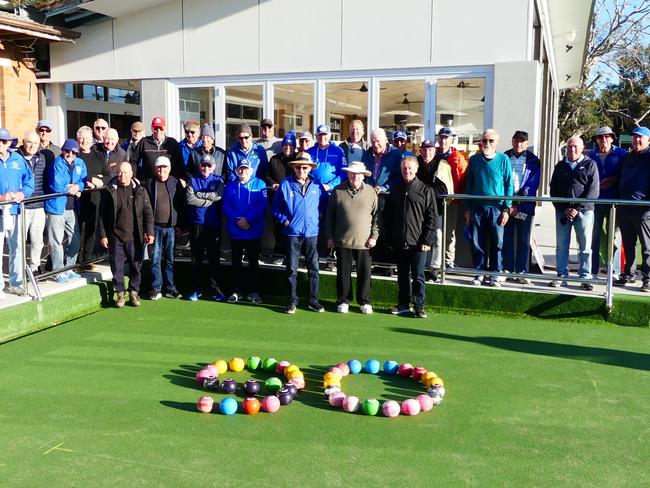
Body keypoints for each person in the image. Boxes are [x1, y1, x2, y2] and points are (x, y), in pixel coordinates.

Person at [272, 152, 326, 314]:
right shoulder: (285, 184)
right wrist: (285, 221)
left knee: (314, 268)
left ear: (310, 168)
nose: (301, 170)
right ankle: (291, 301)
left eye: (304, 167)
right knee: (291, 269)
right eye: (298, 167)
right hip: (292, 233)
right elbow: (275, 208)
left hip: (311, 233)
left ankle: (313, 301)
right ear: (293, 168)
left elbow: (324, 204)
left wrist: (318, 218)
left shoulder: (317, 185)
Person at [324, 161, 378, 314]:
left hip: (365, 242)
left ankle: (364, 301)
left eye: (358, 174)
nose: (355, 176)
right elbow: (330, 217)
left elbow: (376, 218)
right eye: (352, 173)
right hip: (342, 240)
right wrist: (329, 237)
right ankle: (343, 300)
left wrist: (374, 236)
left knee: (365, 273)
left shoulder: (370, 191)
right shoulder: (337, 190)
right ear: (348, 174)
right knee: (342, 273)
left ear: (363, 176)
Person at [386, 156, 437, 318]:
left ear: (415, 169)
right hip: (400, 241)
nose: (406, 171)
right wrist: (391, 239)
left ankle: (419, 306)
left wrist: (426, 240)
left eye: (409, 168)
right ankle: (403, 304)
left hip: (419, 243)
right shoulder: (395, 189)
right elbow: (389, 216)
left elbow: (432, 218)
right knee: (401, 276)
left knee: (418, 276)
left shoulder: (425, 190)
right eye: (404, 169)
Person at [98, 162, 154, 308]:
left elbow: (148, 213)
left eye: (125, 172)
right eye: (120, 172)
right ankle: (120, 293)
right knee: (117, 267)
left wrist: (150, 232)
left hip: (135, 236)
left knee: (136, 266)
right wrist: (103, 235)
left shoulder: (140, 190)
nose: (122, 175)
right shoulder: (109, 190)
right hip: (115, 235)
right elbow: (102, 215)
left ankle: (134, 292)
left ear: (131, 174)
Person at [549, 136, 599, 289]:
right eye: (570, 146)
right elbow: (553, 190)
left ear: (582, 147)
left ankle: (585, 276)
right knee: (561, 246)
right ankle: (561, 275)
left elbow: (593, 191)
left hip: (584, 212)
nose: (572, 149)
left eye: (575, 146)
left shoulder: (590, 164)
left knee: (584, 246)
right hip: (562, 212)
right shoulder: (560, 166)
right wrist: (565, 209)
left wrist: (576, 208)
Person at [464, 129, 513, 287]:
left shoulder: (504, 159)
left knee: (497, 242)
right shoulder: (474, 160)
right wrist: (468, 208)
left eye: (491, 141)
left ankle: (495, 274)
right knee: (477, 242)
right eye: (484, 140)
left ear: (496, 143)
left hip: (497, 209)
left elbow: (509, 185)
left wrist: (506, 209)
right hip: (477, 207)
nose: (487, 144)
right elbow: (469, 184)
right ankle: (479, 273)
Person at [223, 159, 268, 303]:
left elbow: (262, 205)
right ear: (237, 170)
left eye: (246, 169)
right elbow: (226, 206)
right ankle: (236, 291)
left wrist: (248, 220)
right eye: (240, 169)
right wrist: (238, 220)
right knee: (236, 262)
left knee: (254, 263)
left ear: (251, 170)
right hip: (236, 231)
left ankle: (253, 292)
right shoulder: (230, 186)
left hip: (253, 230)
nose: (243, 171)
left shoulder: (260, 184)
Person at [44, 139, 87, 283]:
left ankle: (69, 268)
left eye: (74, 152)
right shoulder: (57, 163)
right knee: (56, 241)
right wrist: (74, 189)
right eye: (67, 151)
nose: (70, 154)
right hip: (56, 207)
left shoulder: (80, 163)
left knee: (75, 239)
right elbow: (57, 185)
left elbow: (83, 180)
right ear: (63, 150)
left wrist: (78, 187)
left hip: (73, 207)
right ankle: (58, 271)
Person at [587, 126, 626, 279]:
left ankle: (614, 271)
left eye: (607, 137)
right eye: (600, 137)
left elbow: (626, 174)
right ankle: (593, 270)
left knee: (614, 237)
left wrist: (614, 180)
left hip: (614, 202)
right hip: (595, 202)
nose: (603, 140)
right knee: (593, 237)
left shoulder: (621, 154)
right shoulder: (591, 156)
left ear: (612, 138)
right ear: (596, 140)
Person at [185, 154, 225, 301]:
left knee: (214, 259)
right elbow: (189, 199)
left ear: (214, 167)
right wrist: (208, 200)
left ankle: (216, 290)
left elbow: (218, 196)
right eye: (203, 165)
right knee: (196, 259)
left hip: (213, 224)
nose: (206, 168)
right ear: (199, 166)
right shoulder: (193, 179)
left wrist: (200, 195)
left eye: (209, 165)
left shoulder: (218, 180)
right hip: (196, 224)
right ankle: (195, 289)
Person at [615, 126, 650, 292]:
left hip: (644, 210)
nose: (636, 140)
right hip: (625, 208)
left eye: (640, 138)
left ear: (648, 140)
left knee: (647, 246)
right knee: (628, 244)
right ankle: (629, 274)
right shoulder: (628, 157)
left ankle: (648, 279)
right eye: (635, 137)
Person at [502, 130, 541, 284]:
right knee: (507, 238)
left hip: (524, 206)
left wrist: (520, 202)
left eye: (522, 141)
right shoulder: (504, 156)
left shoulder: (533, 160)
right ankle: (507, 269)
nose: (518, 144)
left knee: (524, 240)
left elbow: (533, 182)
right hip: (507, 205)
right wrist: (508, 203)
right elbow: (502, 179)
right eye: (516, 140)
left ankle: (521, 271)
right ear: (512, 141)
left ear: (526, 143)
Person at [361, 128, 402, 269]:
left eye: (378, 141)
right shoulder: (366, 154)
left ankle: (388, 265)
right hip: (370, 198)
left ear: (385, 140)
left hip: (387, 198)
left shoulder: (395, 154)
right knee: (371, 228)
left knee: (386, 230)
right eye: (373, 141)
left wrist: (384, 187)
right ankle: (375, 261)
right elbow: (363, 174)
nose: (375, 144)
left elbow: (399, 176)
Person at [0, 128, 34, 297]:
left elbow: (29, 182)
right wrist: (2, 197)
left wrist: (22, 194)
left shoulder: (18, 159)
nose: (2, 144)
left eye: (5, 141)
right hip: (0, 209)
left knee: (17, 247)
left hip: (15, 210)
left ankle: (15, 282)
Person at [144, 156, 183, 300]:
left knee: (170, 259)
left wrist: (180, 225)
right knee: (155, 259)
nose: (162, 170)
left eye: (165, 167)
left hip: (171, 228)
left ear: (169, 168)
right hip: (154, 228)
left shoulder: (175, 183)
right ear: (155, 169)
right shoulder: (149, 183)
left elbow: (181, 205)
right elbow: (145, 209)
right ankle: (156, 288)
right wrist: (147, 230)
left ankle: (171, 288)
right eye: (159, 167)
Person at [416, 138, 453, 281]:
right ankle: (420, 266)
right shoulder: (416, 162)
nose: (427, 152)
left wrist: (424, 189)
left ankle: (435, 268)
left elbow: (444, 188)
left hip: (436, 208)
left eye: (430, 149)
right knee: (419, 236)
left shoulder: (441, 164)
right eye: (424, 149)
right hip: (418, 209)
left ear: (435, 150)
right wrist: (429, 188)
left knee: (437, 237)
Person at [434, 127, 468, 269]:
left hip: (451, 201)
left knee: (449, 232)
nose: (443, 140)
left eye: (446, 137)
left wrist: (458, 197)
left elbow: (464, 178)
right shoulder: (433, 154)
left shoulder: (458, 157)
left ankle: (448, 260)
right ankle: (435, 261)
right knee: (435, 232)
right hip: (434, 200)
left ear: (451, 139)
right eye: (441, 137)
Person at [77, 126, 109, 265]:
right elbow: (75, 174)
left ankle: (87, 260)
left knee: (91, 230)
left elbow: (108, 175)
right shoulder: (75, 155)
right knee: (78, 231)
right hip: (78, 200)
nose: (85, 141)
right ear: (78, 139)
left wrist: (100, 181)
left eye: (88, 138)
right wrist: (91, 178)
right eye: (82, 138)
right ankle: (77, 261)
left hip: (95, 198)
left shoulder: (99, 156)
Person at [16, 131, 47, 274]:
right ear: (23, 142)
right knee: (19, 241)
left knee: (37, 240)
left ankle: (34, 266)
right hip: (21, 206)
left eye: (35, 143)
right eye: (29, 142)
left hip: (39, 205)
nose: (32, 145)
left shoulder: (41, 158)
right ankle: (19, 268)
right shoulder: (15, 158)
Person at [266, 133, 297, 264]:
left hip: (293, 200)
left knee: (292, 227)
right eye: (285, 145)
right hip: (277, 198)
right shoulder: (274, 159)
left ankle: (294, 255)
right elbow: (267, 176)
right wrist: (272, 183)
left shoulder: (297, 160)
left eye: (290, 145)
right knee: (278, 226)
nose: (287, 148)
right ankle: (280, 254)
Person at [130, 116, 183, 180]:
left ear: (165, 129)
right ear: (152, 128)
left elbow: (179, 163)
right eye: (155, 128)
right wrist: (134, 177)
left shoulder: (172, 143)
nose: (158, 131)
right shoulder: (144, 142)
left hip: (168, 183)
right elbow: (133, 161)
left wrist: (178, 178)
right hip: (148, 182)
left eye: (161, 128)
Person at [307, 124, 346, 192]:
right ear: (316, 136)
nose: (322, 137)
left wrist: (330, 185)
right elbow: (305, 171)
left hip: (332, 191)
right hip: (313, 191)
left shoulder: (338, 151)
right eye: (320, 135)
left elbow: (344, 172)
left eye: (325, 135)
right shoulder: (309, 152)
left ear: (330, 135)